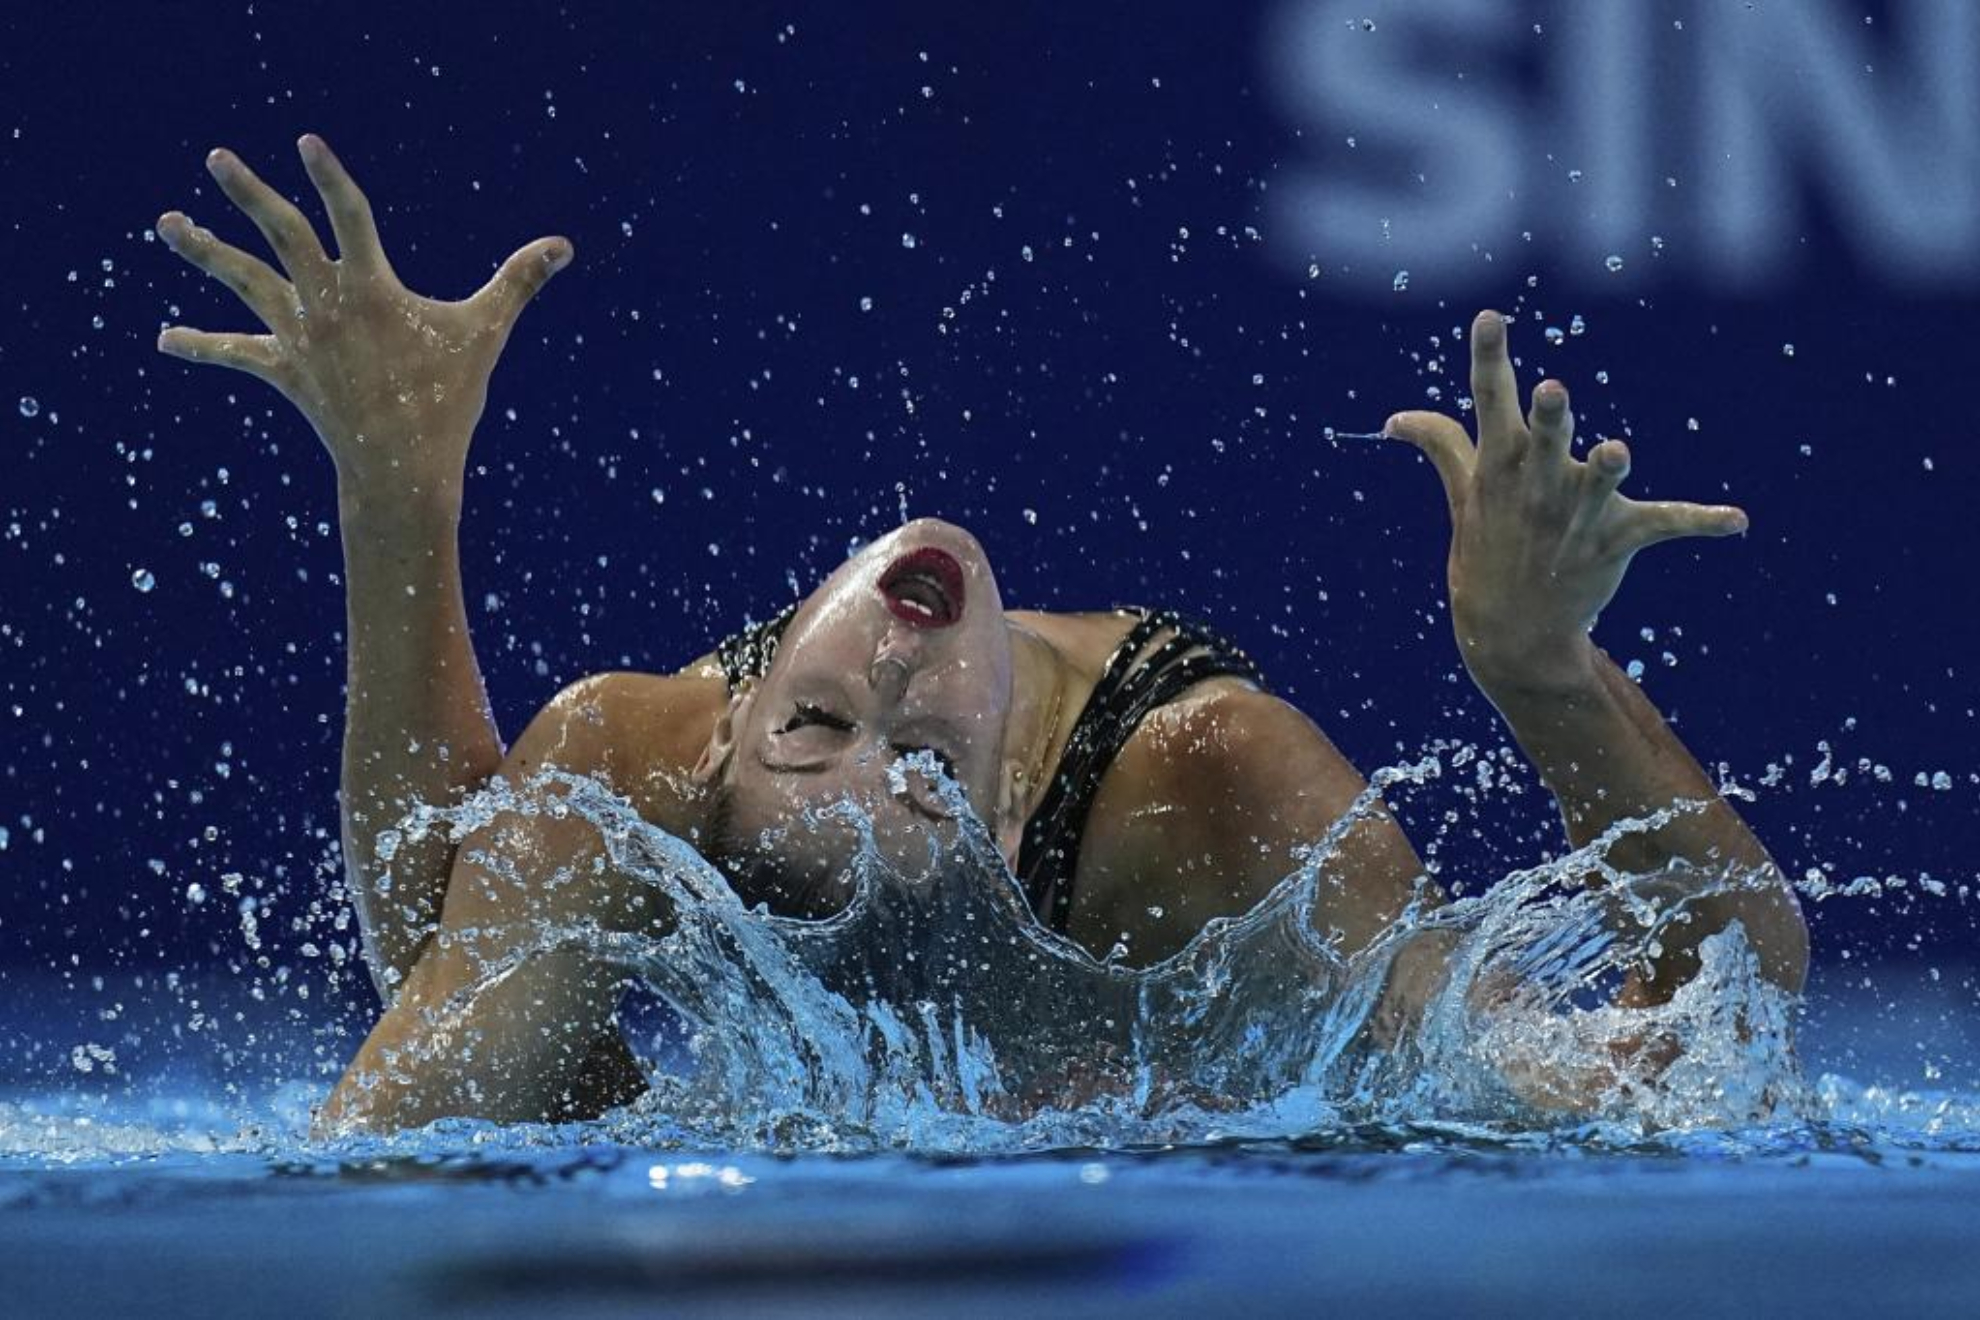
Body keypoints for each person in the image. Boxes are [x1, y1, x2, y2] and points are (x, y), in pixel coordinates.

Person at [153, 134, 1808, 1133]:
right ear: (1009, 811)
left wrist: (394, 496)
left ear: (726, 732)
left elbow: (452, 962)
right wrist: (1547, 671)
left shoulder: (626, 747)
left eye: (815, 727)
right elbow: (1703, 1046)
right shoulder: (1214, 791)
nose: (884, 670)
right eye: (918, 753)